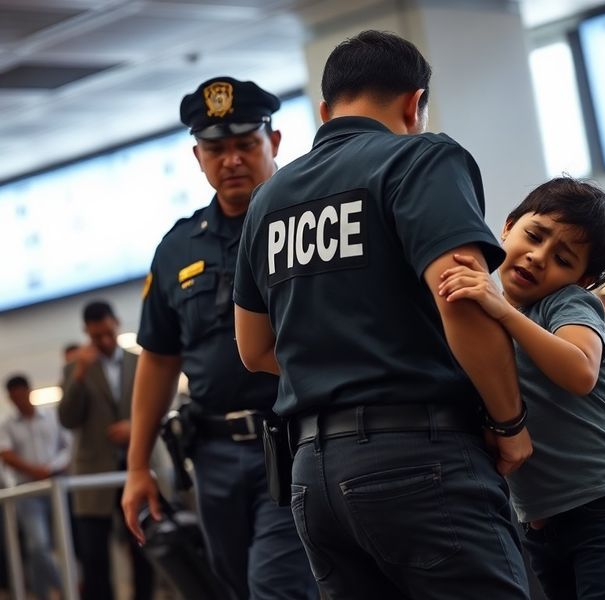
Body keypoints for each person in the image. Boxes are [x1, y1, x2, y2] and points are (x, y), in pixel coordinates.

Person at [234, 30, 533, 599]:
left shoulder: (268, 201)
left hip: (311, 479)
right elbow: (460, 297)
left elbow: (252, 349)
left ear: (326, 110)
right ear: (414, 103)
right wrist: (509, 423)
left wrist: (341, 366)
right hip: (418, 459)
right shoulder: (421, 158)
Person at [120, 76, 316, 600]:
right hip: (212, 457)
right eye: (216, 149)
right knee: (230, 587)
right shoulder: (177, 248)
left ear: (273, 143)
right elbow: (159, 359)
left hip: (296, 439)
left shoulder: (304, 225)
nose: (231, 160)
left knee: (275, 585)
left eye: (245, 144)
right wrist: (138, 466)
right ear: (198, 157)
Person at [438, 177, 605, 599]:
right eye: (533, 236)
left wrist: (501, 309)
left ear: (582, 279)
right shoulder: (490, 319)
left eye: (562, 258)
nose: (537, 257)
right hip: (540, 516)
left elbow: (580, 371)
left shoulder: (568, 303)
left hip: (604, 497)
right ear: (508, 226)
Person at [59, 301, 154, 600]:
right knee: (94, 555)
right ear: (86, 332)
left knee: (143, 548)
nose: (103, 341)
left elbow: (157, 406)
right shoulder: (76, 369)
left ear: (116, 322)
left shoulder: (140, 362)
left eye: (107, 333)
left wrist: (134, 426)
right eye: (95, 335)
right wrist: (79, 375)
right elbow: (67, 419)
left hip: (133, 467)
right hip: (92, 474)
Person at [0, 374, 71, 600]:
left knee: (57, 545)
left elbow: (68, 448)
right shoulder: (7, 426)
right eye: (14, 398)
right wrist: (34, 471)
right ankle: (67, 586)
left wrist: (50, 469)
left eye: (21, 396)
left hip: (55, 485)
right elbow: (7, 455)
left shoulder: (52, 417)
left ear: (29, 391)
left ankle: (43, 594)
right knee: (38, 545)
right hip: (27, 490)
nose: (18, 401)